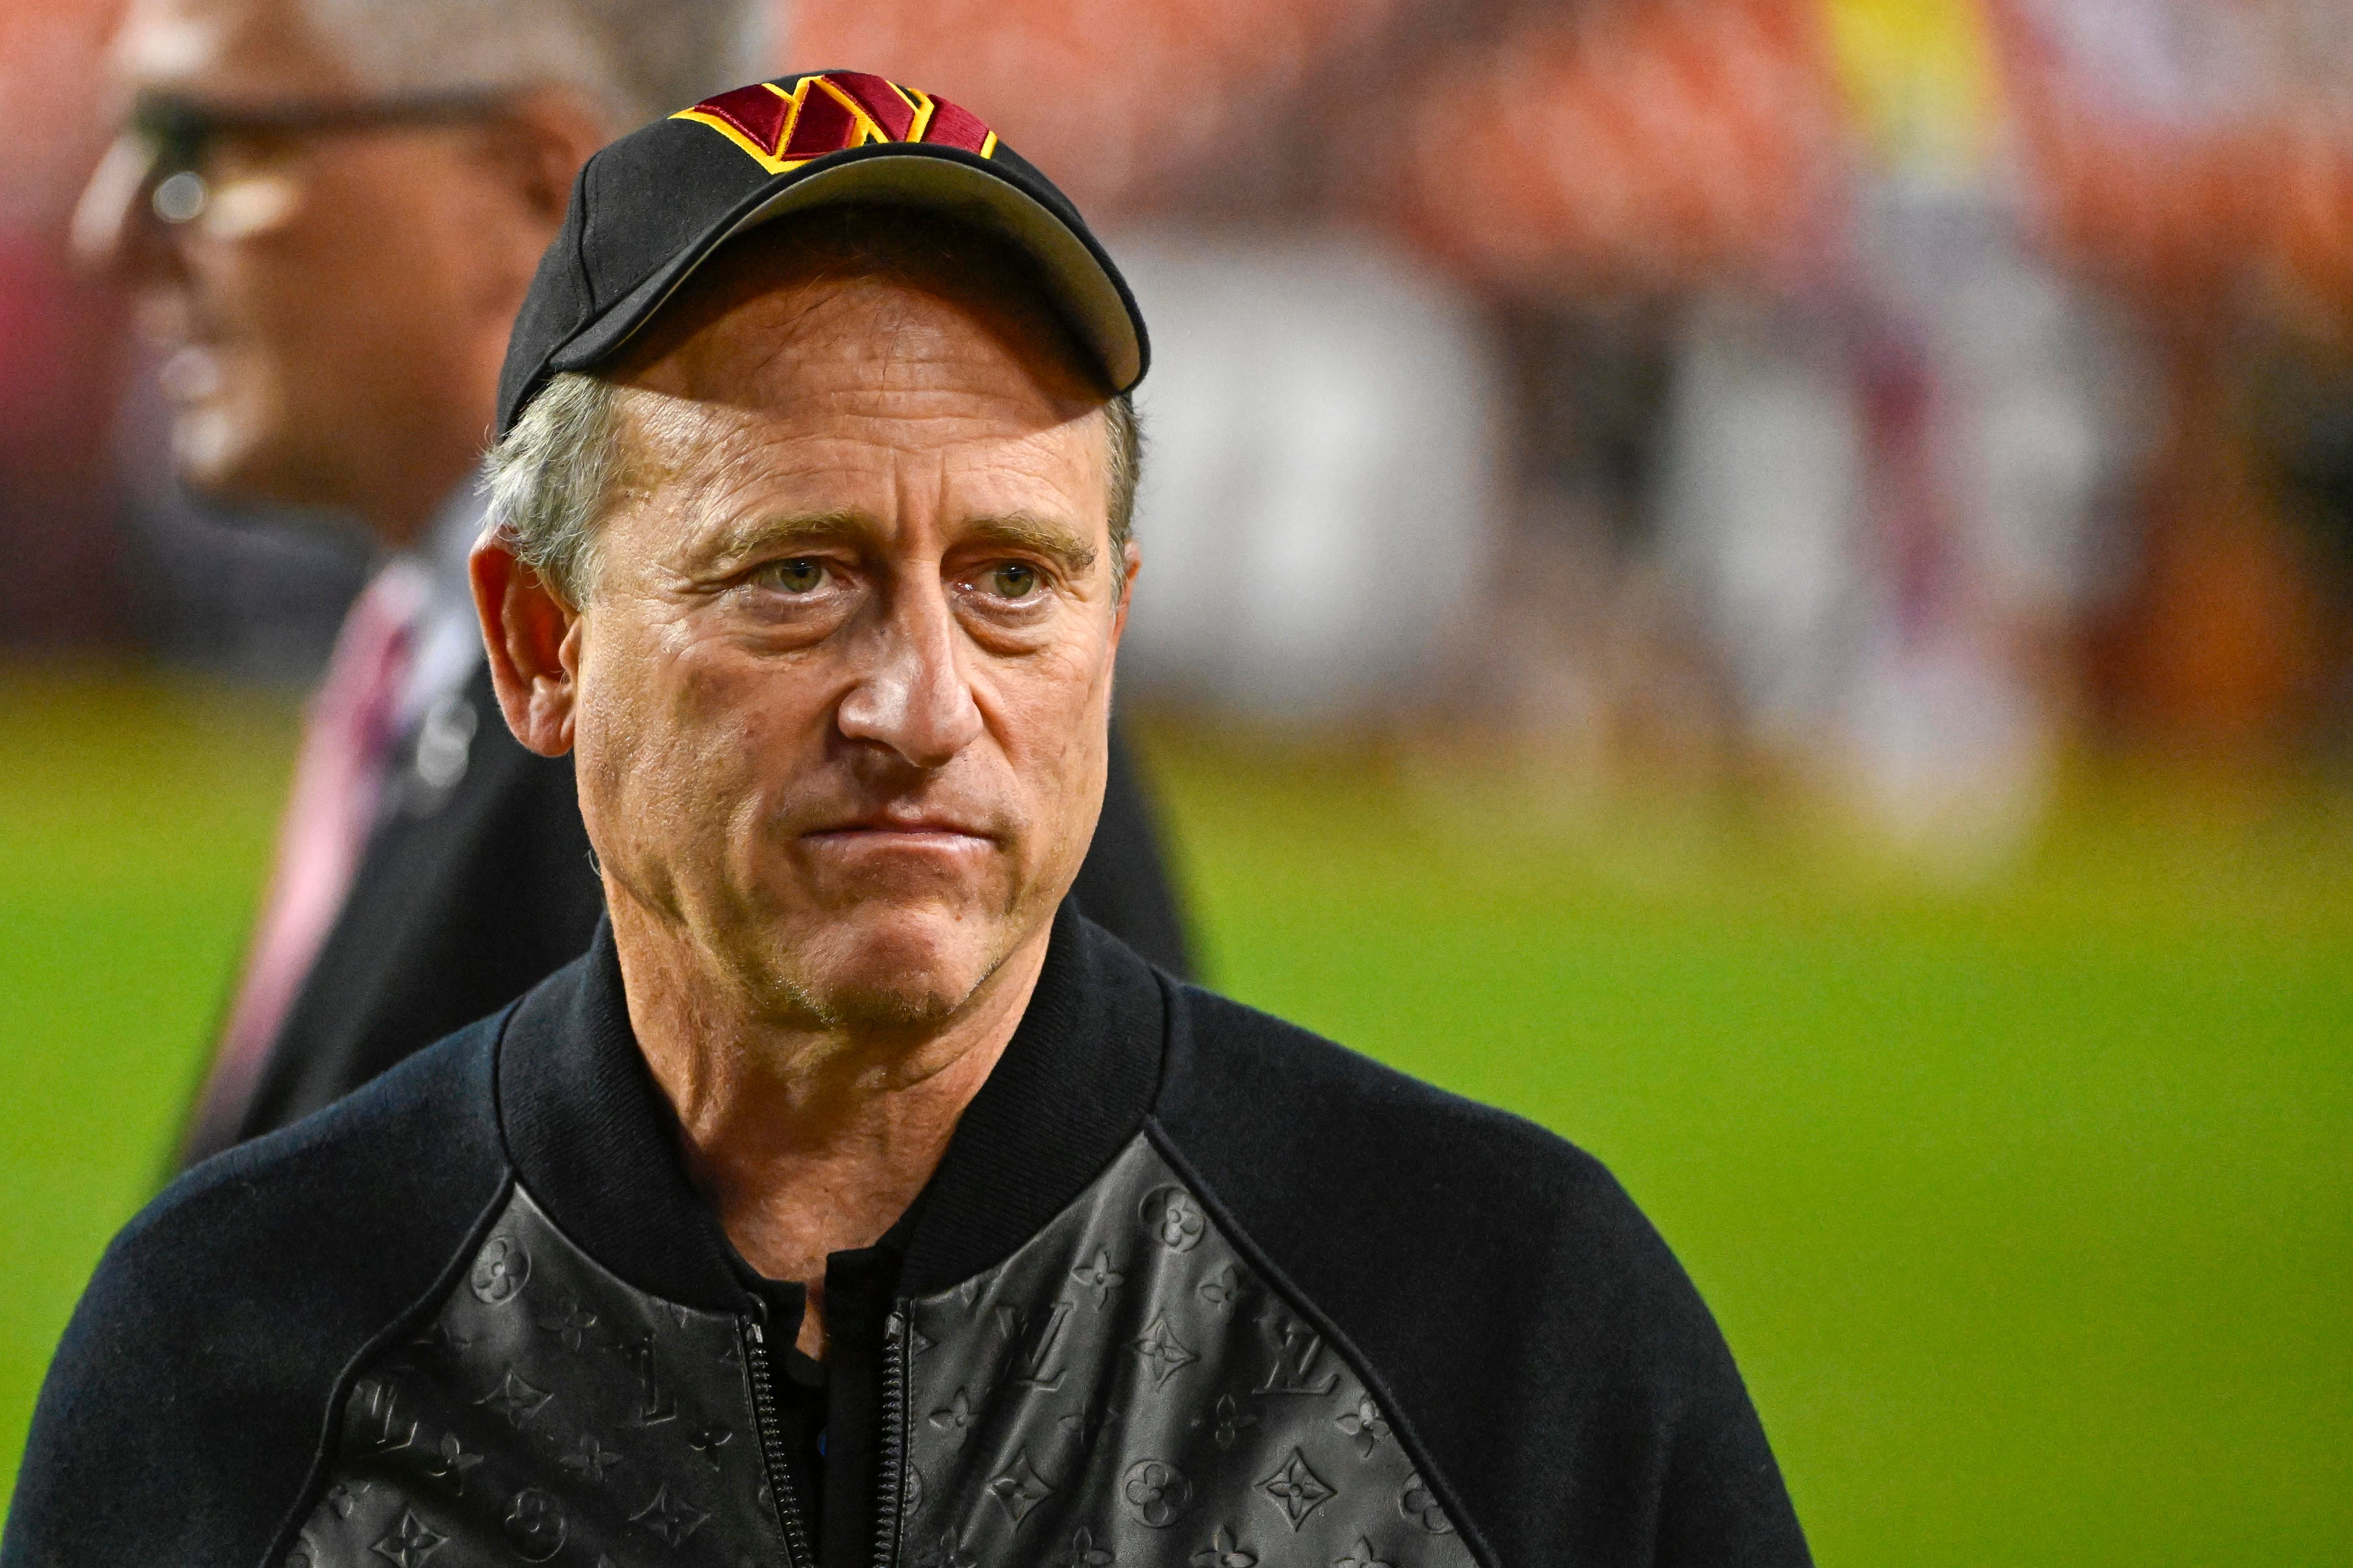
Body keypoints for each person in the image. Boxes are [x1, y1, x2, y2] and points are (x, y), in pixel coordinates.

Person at [8, 75, 1809, 1567]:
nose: (923, 704)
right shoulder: (233, 1361)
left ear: (1118, 614)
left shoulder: (1506, 1331)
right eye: (796, 574)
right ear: (540, 645)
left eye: (1015, 580)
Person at [69, 0, 1191, 1171]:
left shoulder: (887, 775)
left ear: (533, 186)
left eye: (216, 147)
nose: (113, 231)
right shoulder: (431, 651)